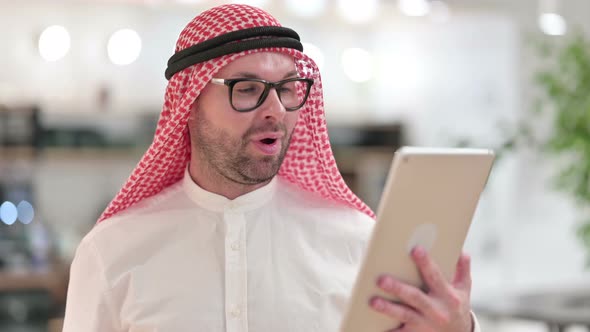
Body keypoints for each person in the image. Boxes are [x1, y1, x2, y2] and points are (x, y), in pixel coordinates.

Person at [62, 4, 480, 332]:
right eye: (247, 90)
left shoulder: (357, 241)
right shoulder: (111, 252)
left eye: (286, 89)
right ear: (188, 105)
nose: (276, 110)